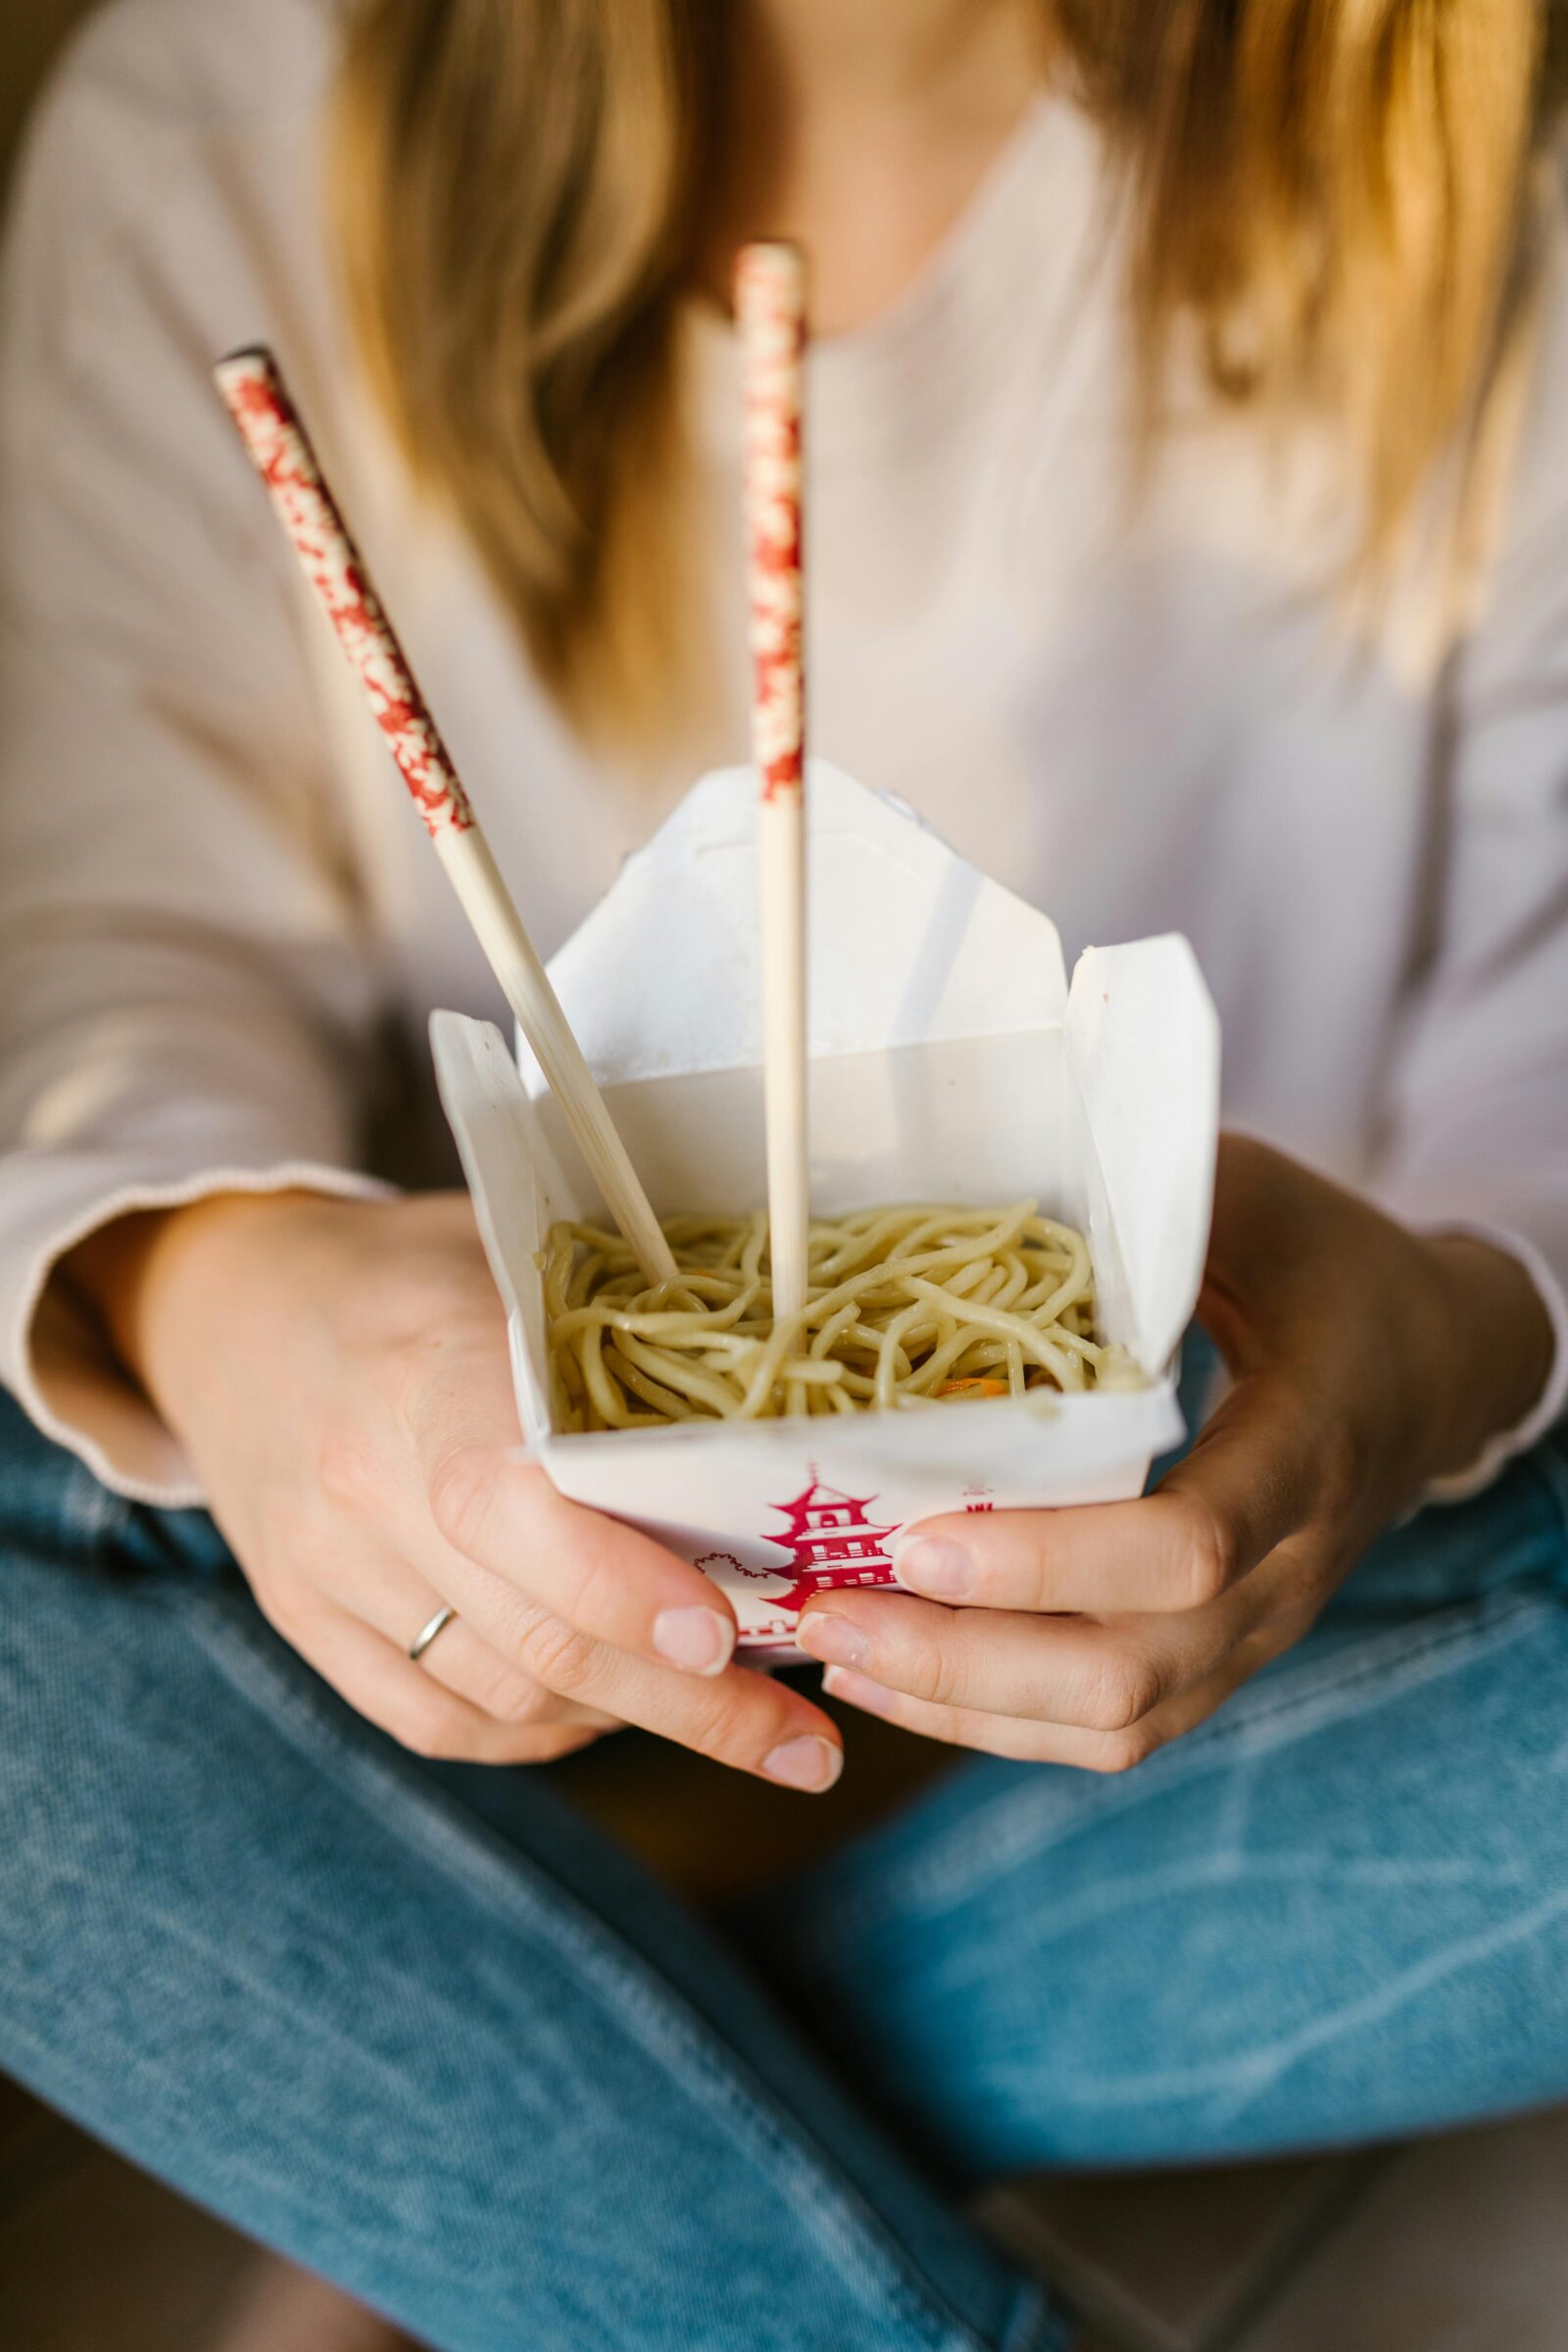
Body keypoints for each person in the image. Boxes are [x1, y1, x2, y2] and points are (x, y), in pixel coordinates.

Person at [2, 1, 1567, 2346]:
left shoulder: (1485, 149)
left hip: (1274, 1621)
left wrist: (1438, 1336)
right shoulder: (231, 104)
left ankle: (449, 2075)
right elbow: (98, 941)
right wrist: (232, 1308)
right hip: (441, 1620)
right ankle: (504, 2099)